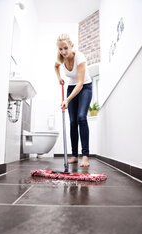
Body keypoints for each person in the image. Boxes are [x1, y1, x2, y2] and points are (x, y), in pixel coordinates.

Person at [54, 33, 92, 167]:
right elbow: (56, 66)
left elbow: (80, 83)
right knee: (72, 122)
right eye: (60, 49)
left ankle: (85, 156)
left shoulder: (80, 57)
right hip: (71, 87)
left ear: (71, 46)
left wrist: (67, 100)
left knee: (81, 117)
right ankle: (75, 155)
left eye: (65, 48)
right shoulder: (60, 58)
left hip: (85, 87)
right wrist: (59, 78)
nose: (63, 52)